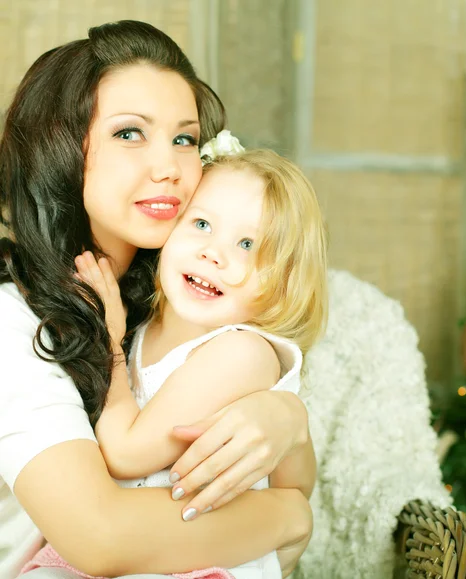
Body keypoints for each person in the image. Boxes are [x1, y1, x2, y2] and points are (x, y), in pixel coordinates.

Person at [0, 20, 315, 579]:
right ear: (60, 149)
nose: (168, 167)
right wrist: (288, 513)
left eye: (185, 138)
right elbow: (101, 539)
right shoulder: (11, 317)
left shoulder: (180, 295)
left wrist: (286, 416)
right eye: (129, 134)